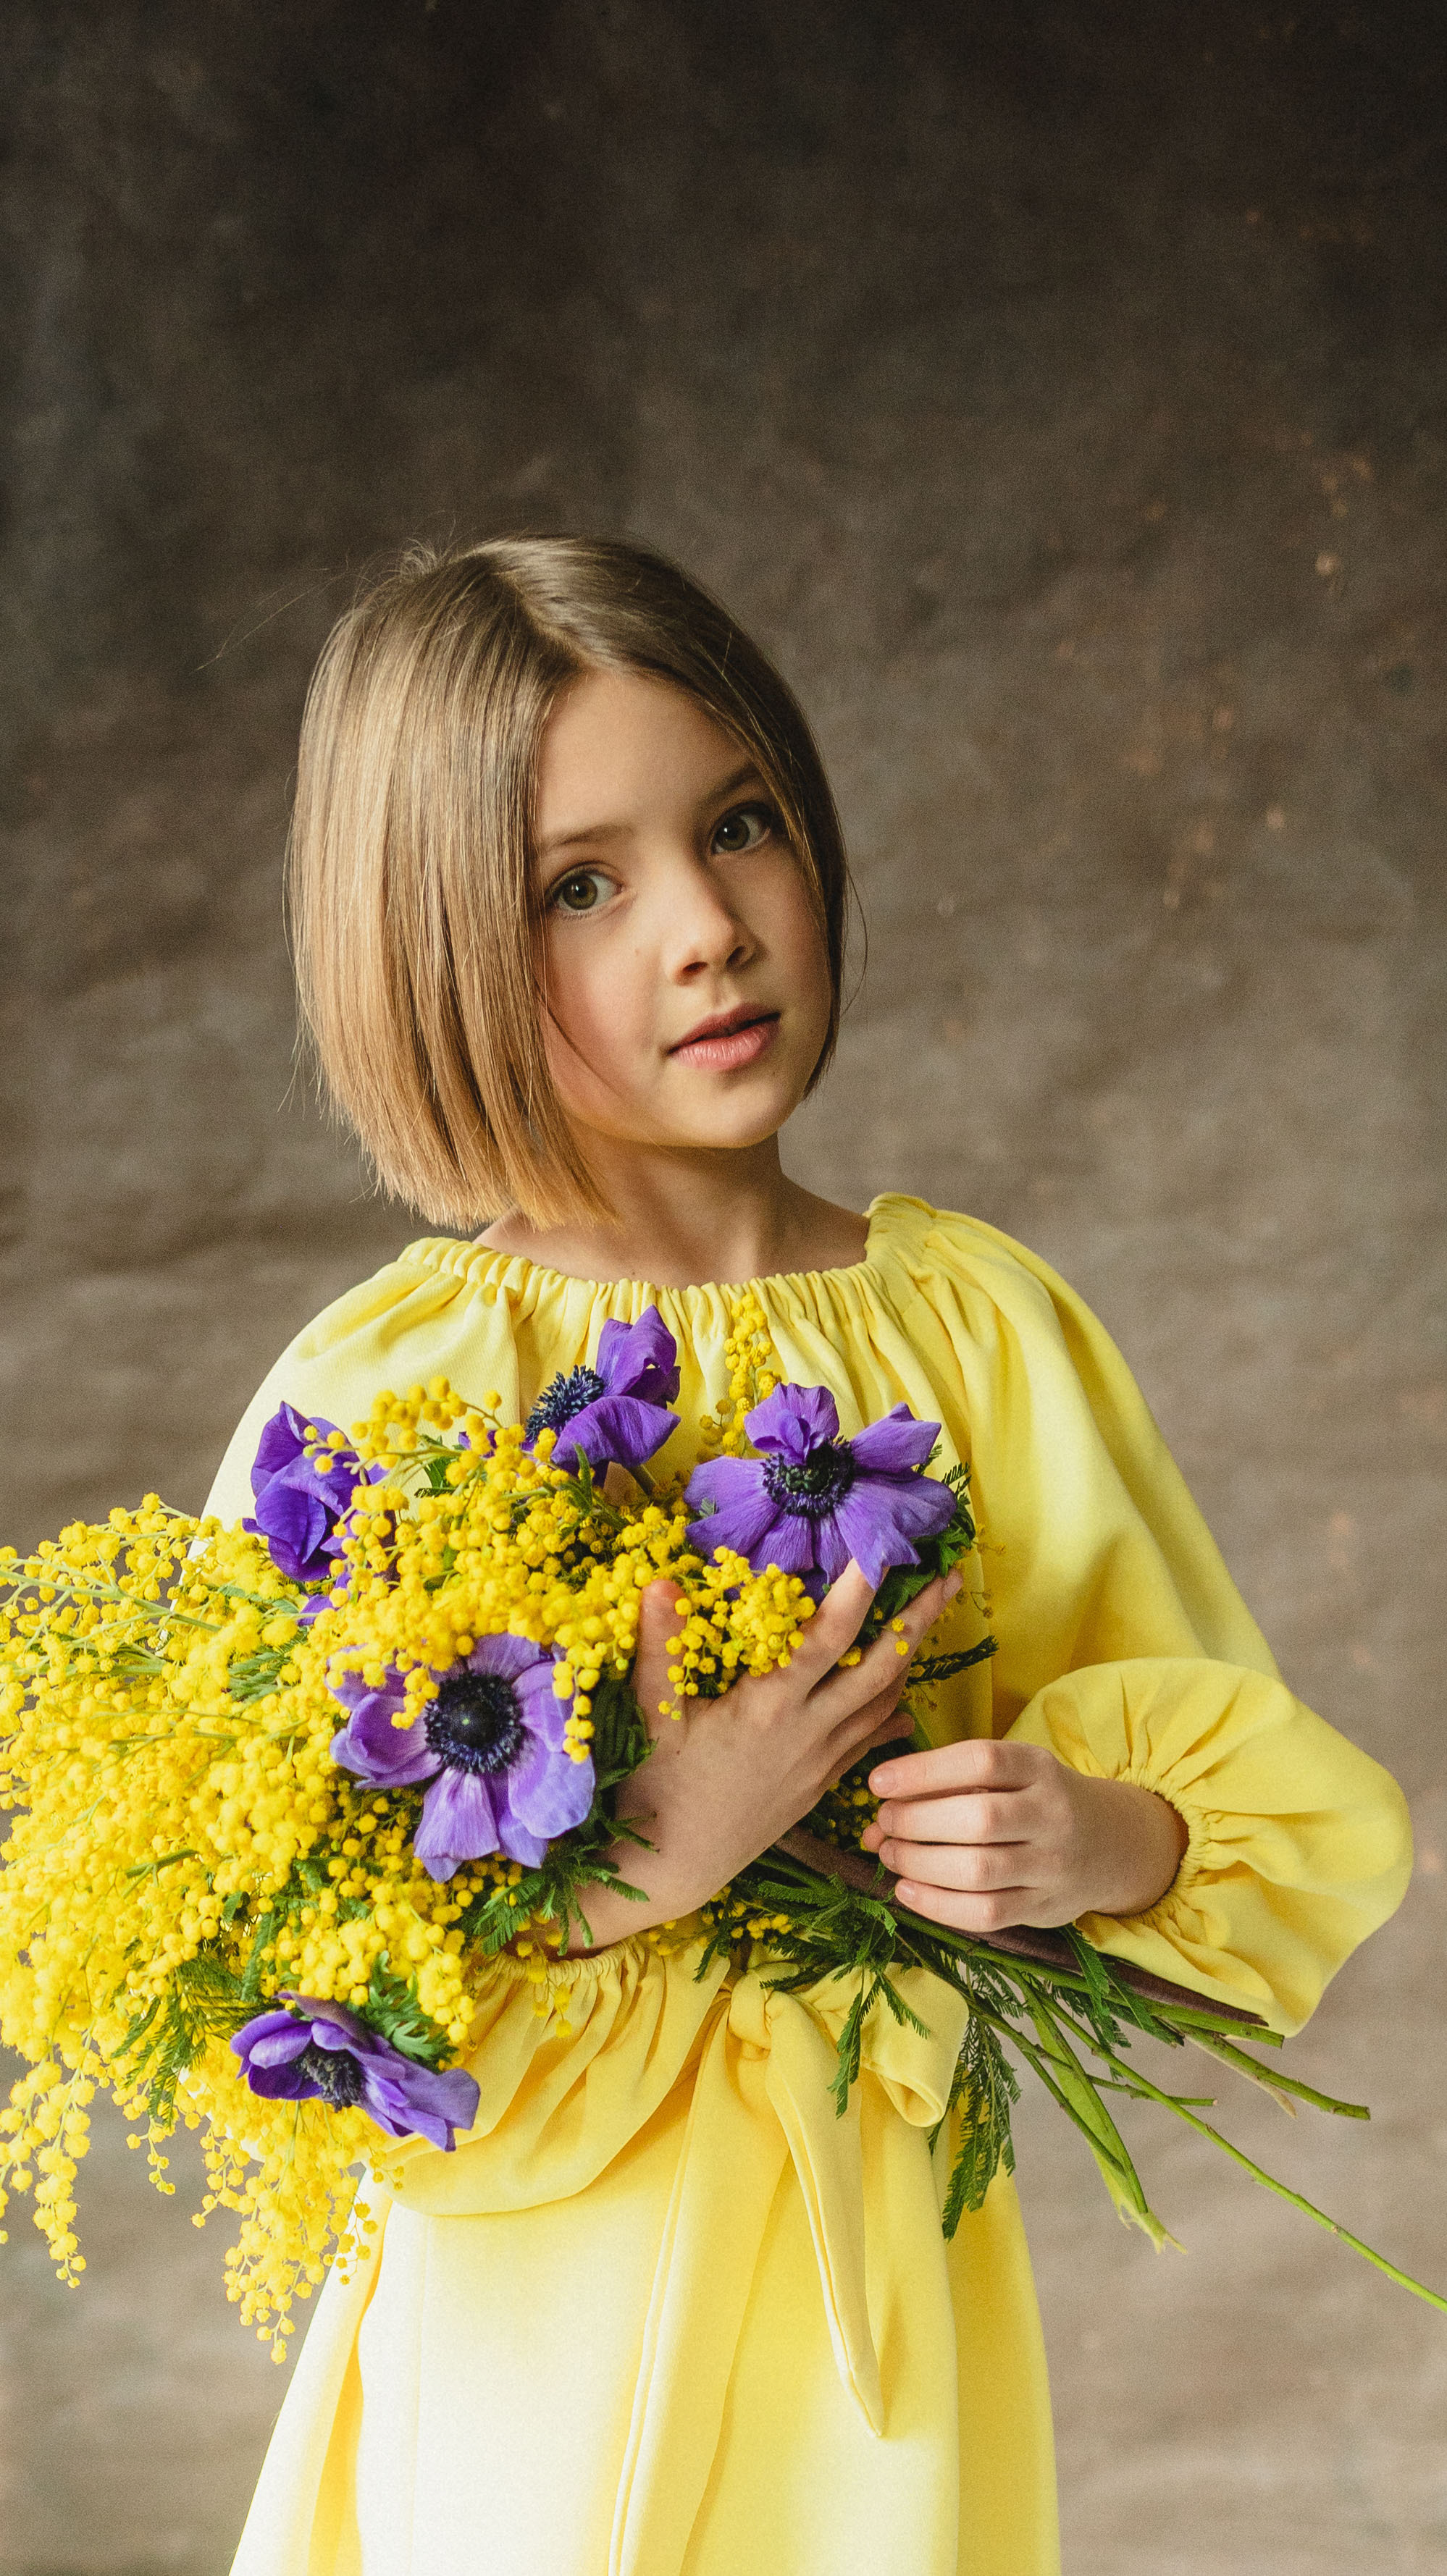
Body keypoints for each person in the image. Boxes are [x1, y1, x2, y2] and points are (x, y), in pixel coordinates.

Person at [211, 536, 1411, 2576]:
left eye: (740, 824)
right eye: (580, 887)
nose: (707, 929)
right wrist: (644, 1856)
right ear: (433, 951)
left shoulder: (977, 1334)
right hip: (535, 2337)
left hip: (881, 2331)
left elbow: (1247, 1793)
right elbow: (279, 1978)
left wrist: (1099, 1839)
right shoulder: (389, 1395)